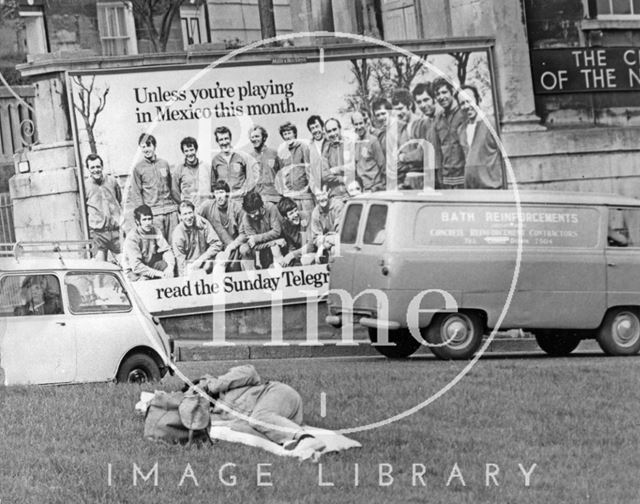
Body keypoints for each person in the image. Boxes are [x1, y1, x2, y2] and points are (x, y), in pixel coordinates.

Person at [196, 364, 326, 452]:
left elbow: (251, 372)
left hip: (277, 394)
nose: (198, 393)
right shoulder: (213, 415)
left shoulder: (227, 382)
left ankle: (307, 438)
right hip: (279, 418)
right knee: (257, 421)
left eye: (198, 387)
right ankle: (290, 441)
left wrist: (212, 385)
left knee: (259, 417)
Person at [129, 134, 179, 241]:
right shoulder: (138, 168)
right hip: (154, 214)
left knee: (175, 242)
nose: (146, 149)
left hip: (171, 212)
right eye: (143, 147)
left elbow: (172, 187)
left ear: (154, 146)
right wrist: (142, 215)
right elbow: (136, 193)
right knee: (157, 246)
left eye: (148, 145)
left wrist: (179, 205)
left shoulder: (164, 164)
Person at [457, 84, 504, 190]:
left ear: (478, 99)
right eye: (462, 103)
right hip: (471, 190)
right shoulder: (461, 130)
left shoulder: (492, 123)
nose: (466, 106)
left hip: (491, 189)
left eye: (469, 101)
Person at [390, 88, 434, 189]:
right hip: (407, 180)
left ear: (410, 105)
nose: (398, 113)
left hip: (423, 180)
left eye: (401, 108)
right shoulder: (402, 129)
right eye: (396, 110)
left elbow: (422, 154)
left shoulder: (422, 124)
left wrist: (403, 158)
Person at [198, 181, 245, 272]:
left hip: (233, 246)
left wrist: (231, 247)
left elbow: (244, 233)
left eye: (222, 192)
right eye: (217, 193)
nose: (219, 196)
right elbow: (195, 214)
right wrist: (198, 218)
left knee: (234, 270)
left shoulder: (237, 207)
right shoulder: (208, 205)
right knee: (211, 268)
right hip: (216, 247)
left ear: (227, 194)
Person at [84, 153, 122, 262]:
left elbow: (119, 200)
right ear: (88, 169)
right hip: (98, 233)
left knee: (126, 265)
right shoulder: (85, 185)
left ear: (102, 167)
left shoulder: (112, 181)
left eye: (98, 166)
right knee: (100, 268)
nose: (96, 170)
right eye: (92, 167)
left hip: (115, 231)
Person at [123, 204, 175, 281]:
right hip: (133, 271)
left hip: (149, 266)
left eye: (149, 219)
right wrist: (159, 274)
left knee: (164, 266)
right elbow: (136, 266)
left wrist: (170, 268)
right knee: (144, 280)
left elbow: (166, 250)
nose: (148, 223)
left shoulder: (155, 231)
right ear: (137, 221)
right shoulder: (132, 237)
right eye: (144, 220)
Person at [431, 77, 467, 189]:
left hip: (463, 175)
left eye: (444, 92)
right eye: (438, 94)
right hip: (446, 178)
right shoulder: (438, 119)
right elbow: (437, 150)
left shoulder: (463, 113)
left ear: (452, 92)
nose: (441, 97)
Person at [172, 200, 223, 276]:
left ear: (194, 212)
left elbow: (217, 244)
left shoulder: (202, 223)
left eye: (190, 213)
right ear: (180, 216)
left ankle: (218, 287)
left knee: (221, 256)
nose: (188, 217)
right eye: (185, 214)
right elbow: (181, 263)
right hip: (190, 266)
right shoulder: (178, 233)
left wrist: (201, 259)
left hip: (205, 261)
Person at [277, 121, 314, 217]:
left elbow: (309, 168)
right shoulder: (282, 151)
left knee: (307, 218)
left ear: (294, 134)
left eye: (289, 133)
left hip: (304, 194)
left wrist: (309, 188)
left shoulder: (303, 147)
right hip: (290, 195)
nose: (287, 136)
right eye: (285, 134)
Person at [211, 126, 258, 201]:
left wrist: (242, 192)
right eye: (221, 140)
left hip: (241, 201)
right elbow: (213, 184)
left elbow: (251, 179)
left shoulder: (242, 156)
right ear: (217, 141)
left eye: (226, 138)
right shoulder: (215, 160)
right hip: (224, 202)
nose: (224, 142)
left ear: (230, 139)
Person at [238, 191, 283, 270]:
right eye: (250, 213)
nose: (252, 216)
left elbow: (277, 232)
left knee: (275, 248)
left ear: (261, 207)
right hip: (261, 247)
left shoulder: (271, 208)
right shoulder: (246, 218)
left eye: (254, 212)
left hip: (277, 245)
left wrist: (257, 238)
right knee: (244, 249)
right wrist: (272, 242)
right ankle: (252, 279)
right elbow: (254, 245)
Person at [275, 196, 314, 267]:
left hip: (313, 251)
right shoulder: (285, 226)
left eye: (296, 210)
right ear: (285, 217)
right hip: (300, 253)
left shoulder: (307, 216)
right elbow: (291, 247)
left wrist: (292, 255)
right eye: (291, 213)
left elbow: (311, 245)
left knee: (305, 260)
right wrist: (288, 260)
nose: (296, 214)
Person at [171, 137, 211, 206]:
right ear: (183, 152)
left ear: (196, 150)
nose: (189, 153)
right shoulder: (179, 169)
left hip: (206, 207)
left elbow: (213, 186)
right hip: (189, 209)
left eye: (191, 150)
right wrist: (183, 205)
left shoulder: (206, 167)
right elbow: (174, 191)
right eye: (186, 151)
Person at [351, 111, 385, 192]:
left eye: (361, 123)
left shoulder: (373, 140)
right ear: (353, 125)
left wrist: (380, 186)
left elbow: (382, 165)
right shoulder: (356, 143)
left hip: (375, 188)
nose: (359, 127)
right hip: (364, 189)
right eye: (356, 124)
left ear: (365, 123)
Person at [248, 125, 282, 205]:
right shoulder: (249, 157)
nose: (254, 139)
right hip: (257, 199)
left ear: (264, 137)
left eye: (257, 136)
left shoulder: (274, 153)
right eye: (252, 137)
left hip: (274, 197)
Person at [310, 187, 345, 262]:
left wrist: (324, 242)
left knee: (334, 250)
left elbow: (341, 236)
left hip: (341, 245)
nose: (321, 198)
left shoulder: (338, 206)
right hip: (326, 246)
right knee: (308, 260)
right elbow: (315, 238)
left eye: (323, 194)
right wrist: (322, 245)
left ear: (329, 192)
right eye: (318, 195)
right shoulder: (316, 212)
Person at [322, 117, 353, 201]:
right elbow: (325, 175)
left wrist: (336, 169)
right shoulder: (326, 150)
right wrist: (342, 179)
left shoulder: (350, 144)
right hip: (335, 196)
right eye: (329, 131)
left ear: (340, 129)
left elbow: (354, 167)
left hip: (352, 193)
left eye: (334, 129)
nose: (332, 133)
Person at [306, 115, 327, 194]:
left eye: (317, 126)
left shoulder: (330, 142)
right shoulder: (308, 148)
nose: (315, 130)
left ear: (322, 127)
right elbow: (309, 172)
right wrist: (315, 190)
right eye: (312, 128)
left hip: (334, 189)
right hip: (319, 191)